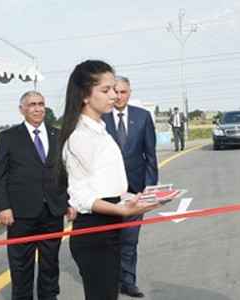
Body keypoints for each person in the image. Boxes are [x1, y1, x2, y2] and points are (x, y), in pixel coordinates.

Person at [55, 60, 161, 300]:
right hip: (95, 232)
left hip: (109, 227)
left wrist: (134, 198)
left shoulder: (100, 129)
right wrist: (119, 209)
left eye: (114, 89)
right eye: (106, 90)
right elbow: (81, 196)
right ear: (84, 95)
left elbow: (106, 183)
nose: (114, 95)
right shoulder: (81, 136)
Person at [0, 91, 76, 300]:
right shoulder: (8, 138)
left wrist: (69, 202)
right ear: (22, 110)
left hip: (53, 211)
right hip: (21, 213)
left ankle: (49, 296)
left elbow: (66, 172)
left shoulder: (58, 135)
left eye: (41, 104)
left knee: (50, 262)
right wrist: (3, 207)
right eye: (32, 105)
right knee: (21, 264)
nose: (38, 109)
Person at [102, 75, 158, 298]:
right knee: (108, 240)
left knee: (130, 239)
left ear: (129, 93)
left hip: (135, 191)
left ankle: (127, 281)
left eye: (123, 92)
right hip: (107, 192)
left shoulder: (142, 117)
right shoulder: (100, 118)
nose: (119, 96)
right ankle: (108, 280)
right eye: (115, 92)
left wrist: (150, 190)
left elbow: (150, 156)